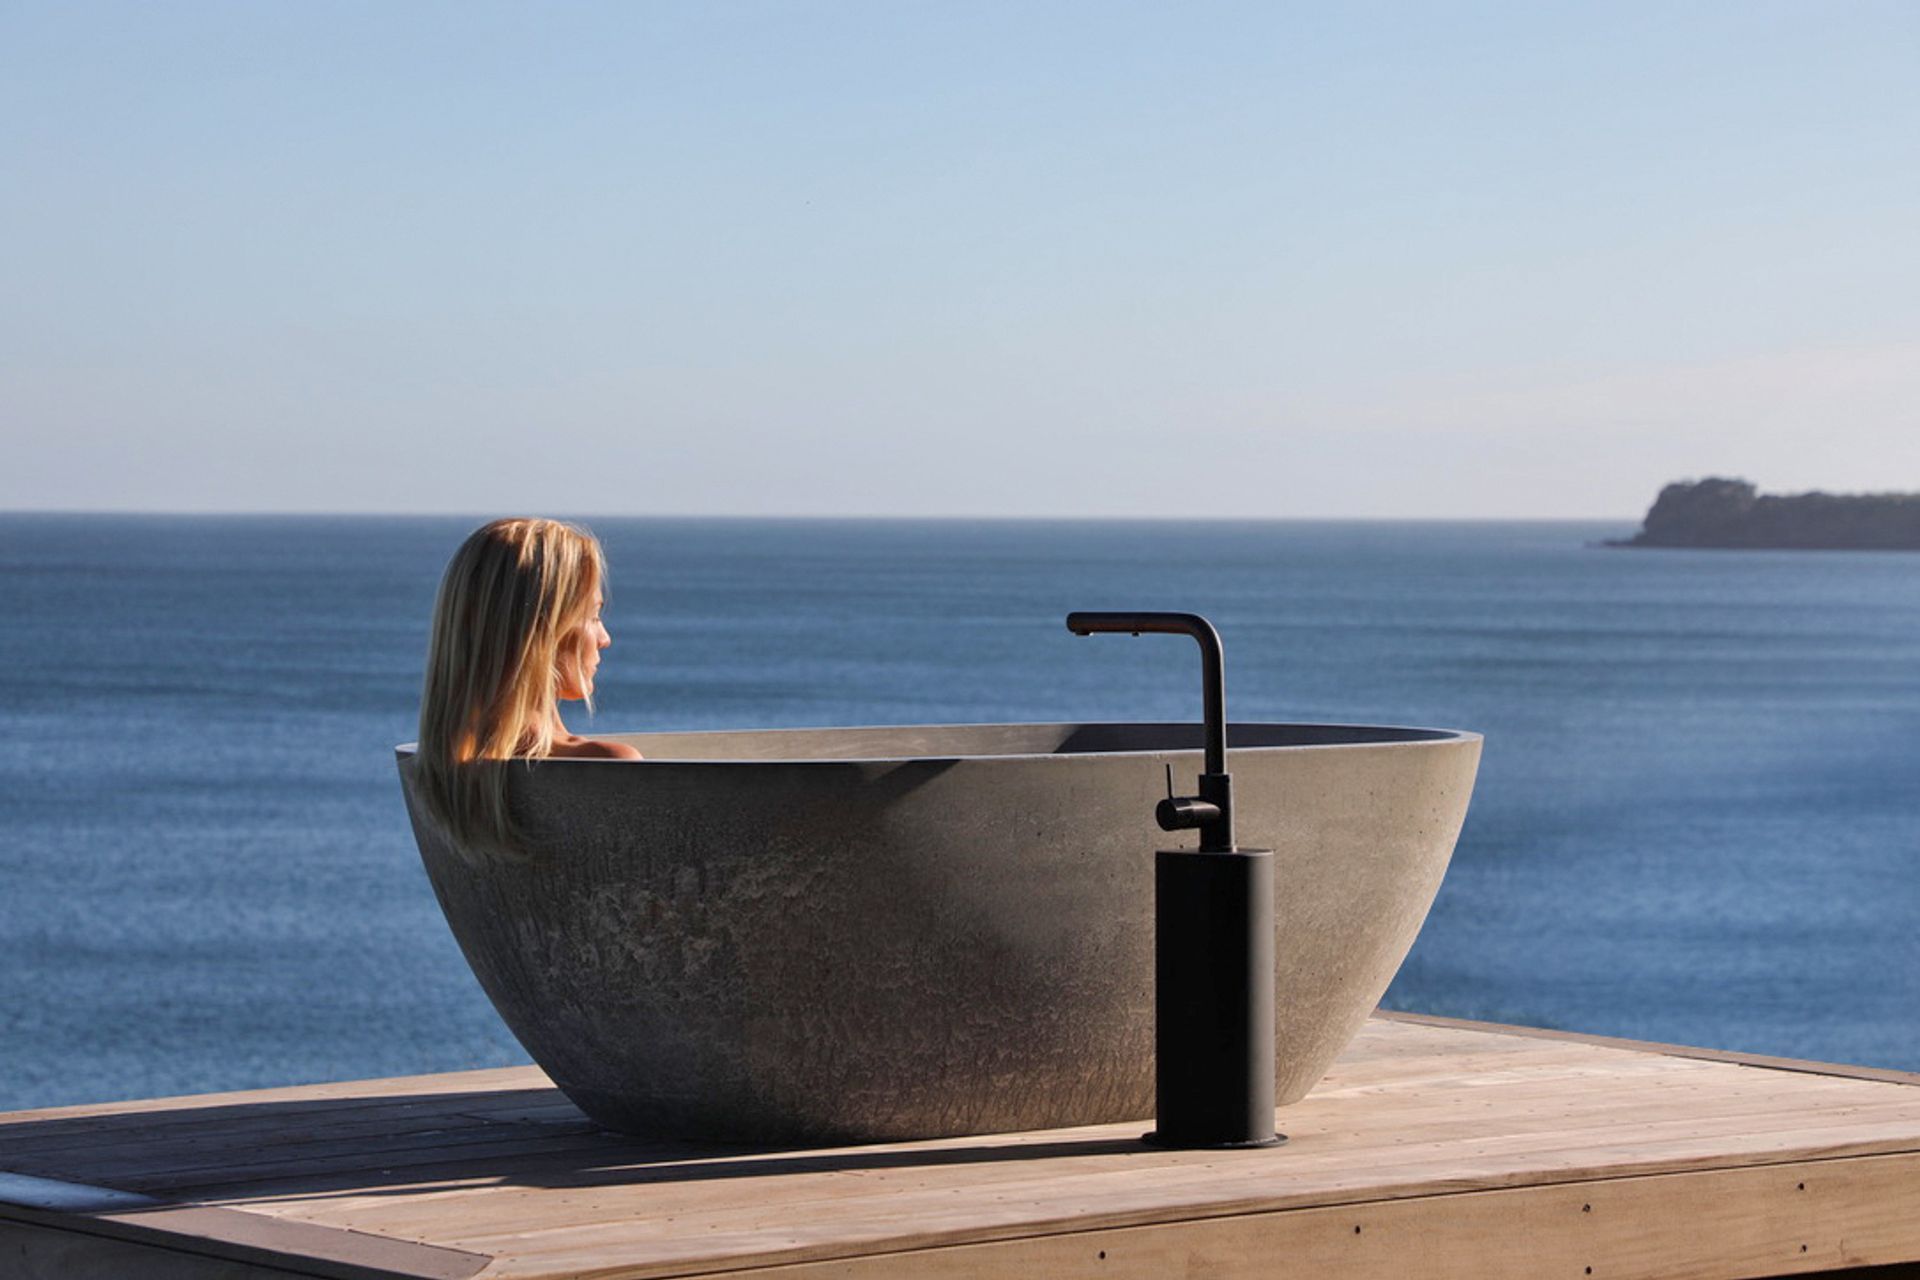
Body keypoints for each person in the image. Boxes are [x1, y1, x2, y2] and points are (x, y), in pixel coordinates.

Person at [414, 517, 641, 861]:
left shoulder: (440, 780)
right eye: (594, 616)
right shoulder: (609, 764)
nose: (605, 639)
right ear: (544, 633)